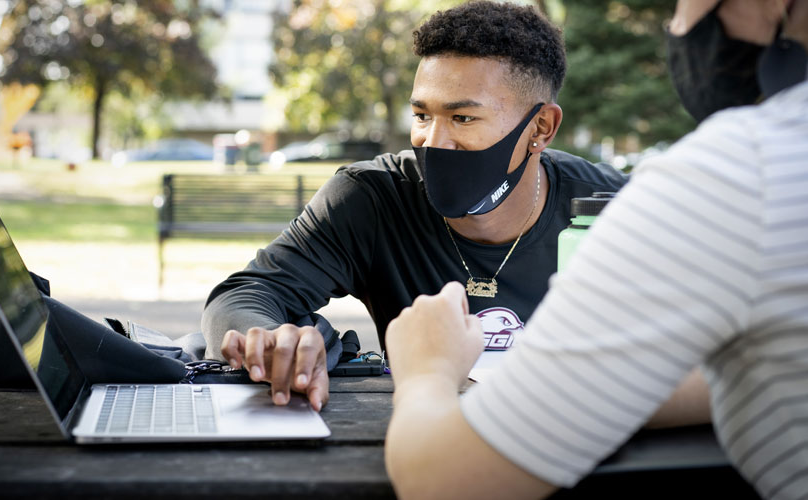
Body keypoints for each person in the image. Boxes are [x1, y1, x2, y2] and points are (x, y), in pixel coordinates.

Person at [383, 0, 808, 498]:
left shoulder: (739, 169)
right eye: (421, 114)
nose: (675, 24)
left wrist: (426, 370)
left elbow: (445, 479)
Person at [202, 1, 628, 411]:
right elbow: (244, 294)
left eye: (462, 118)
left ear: (541, 127)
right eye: (422, 115)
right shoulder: (370, 197)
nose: (433, 141)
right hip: (415, 430)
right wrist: (274, 341)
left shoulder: (615, 208)